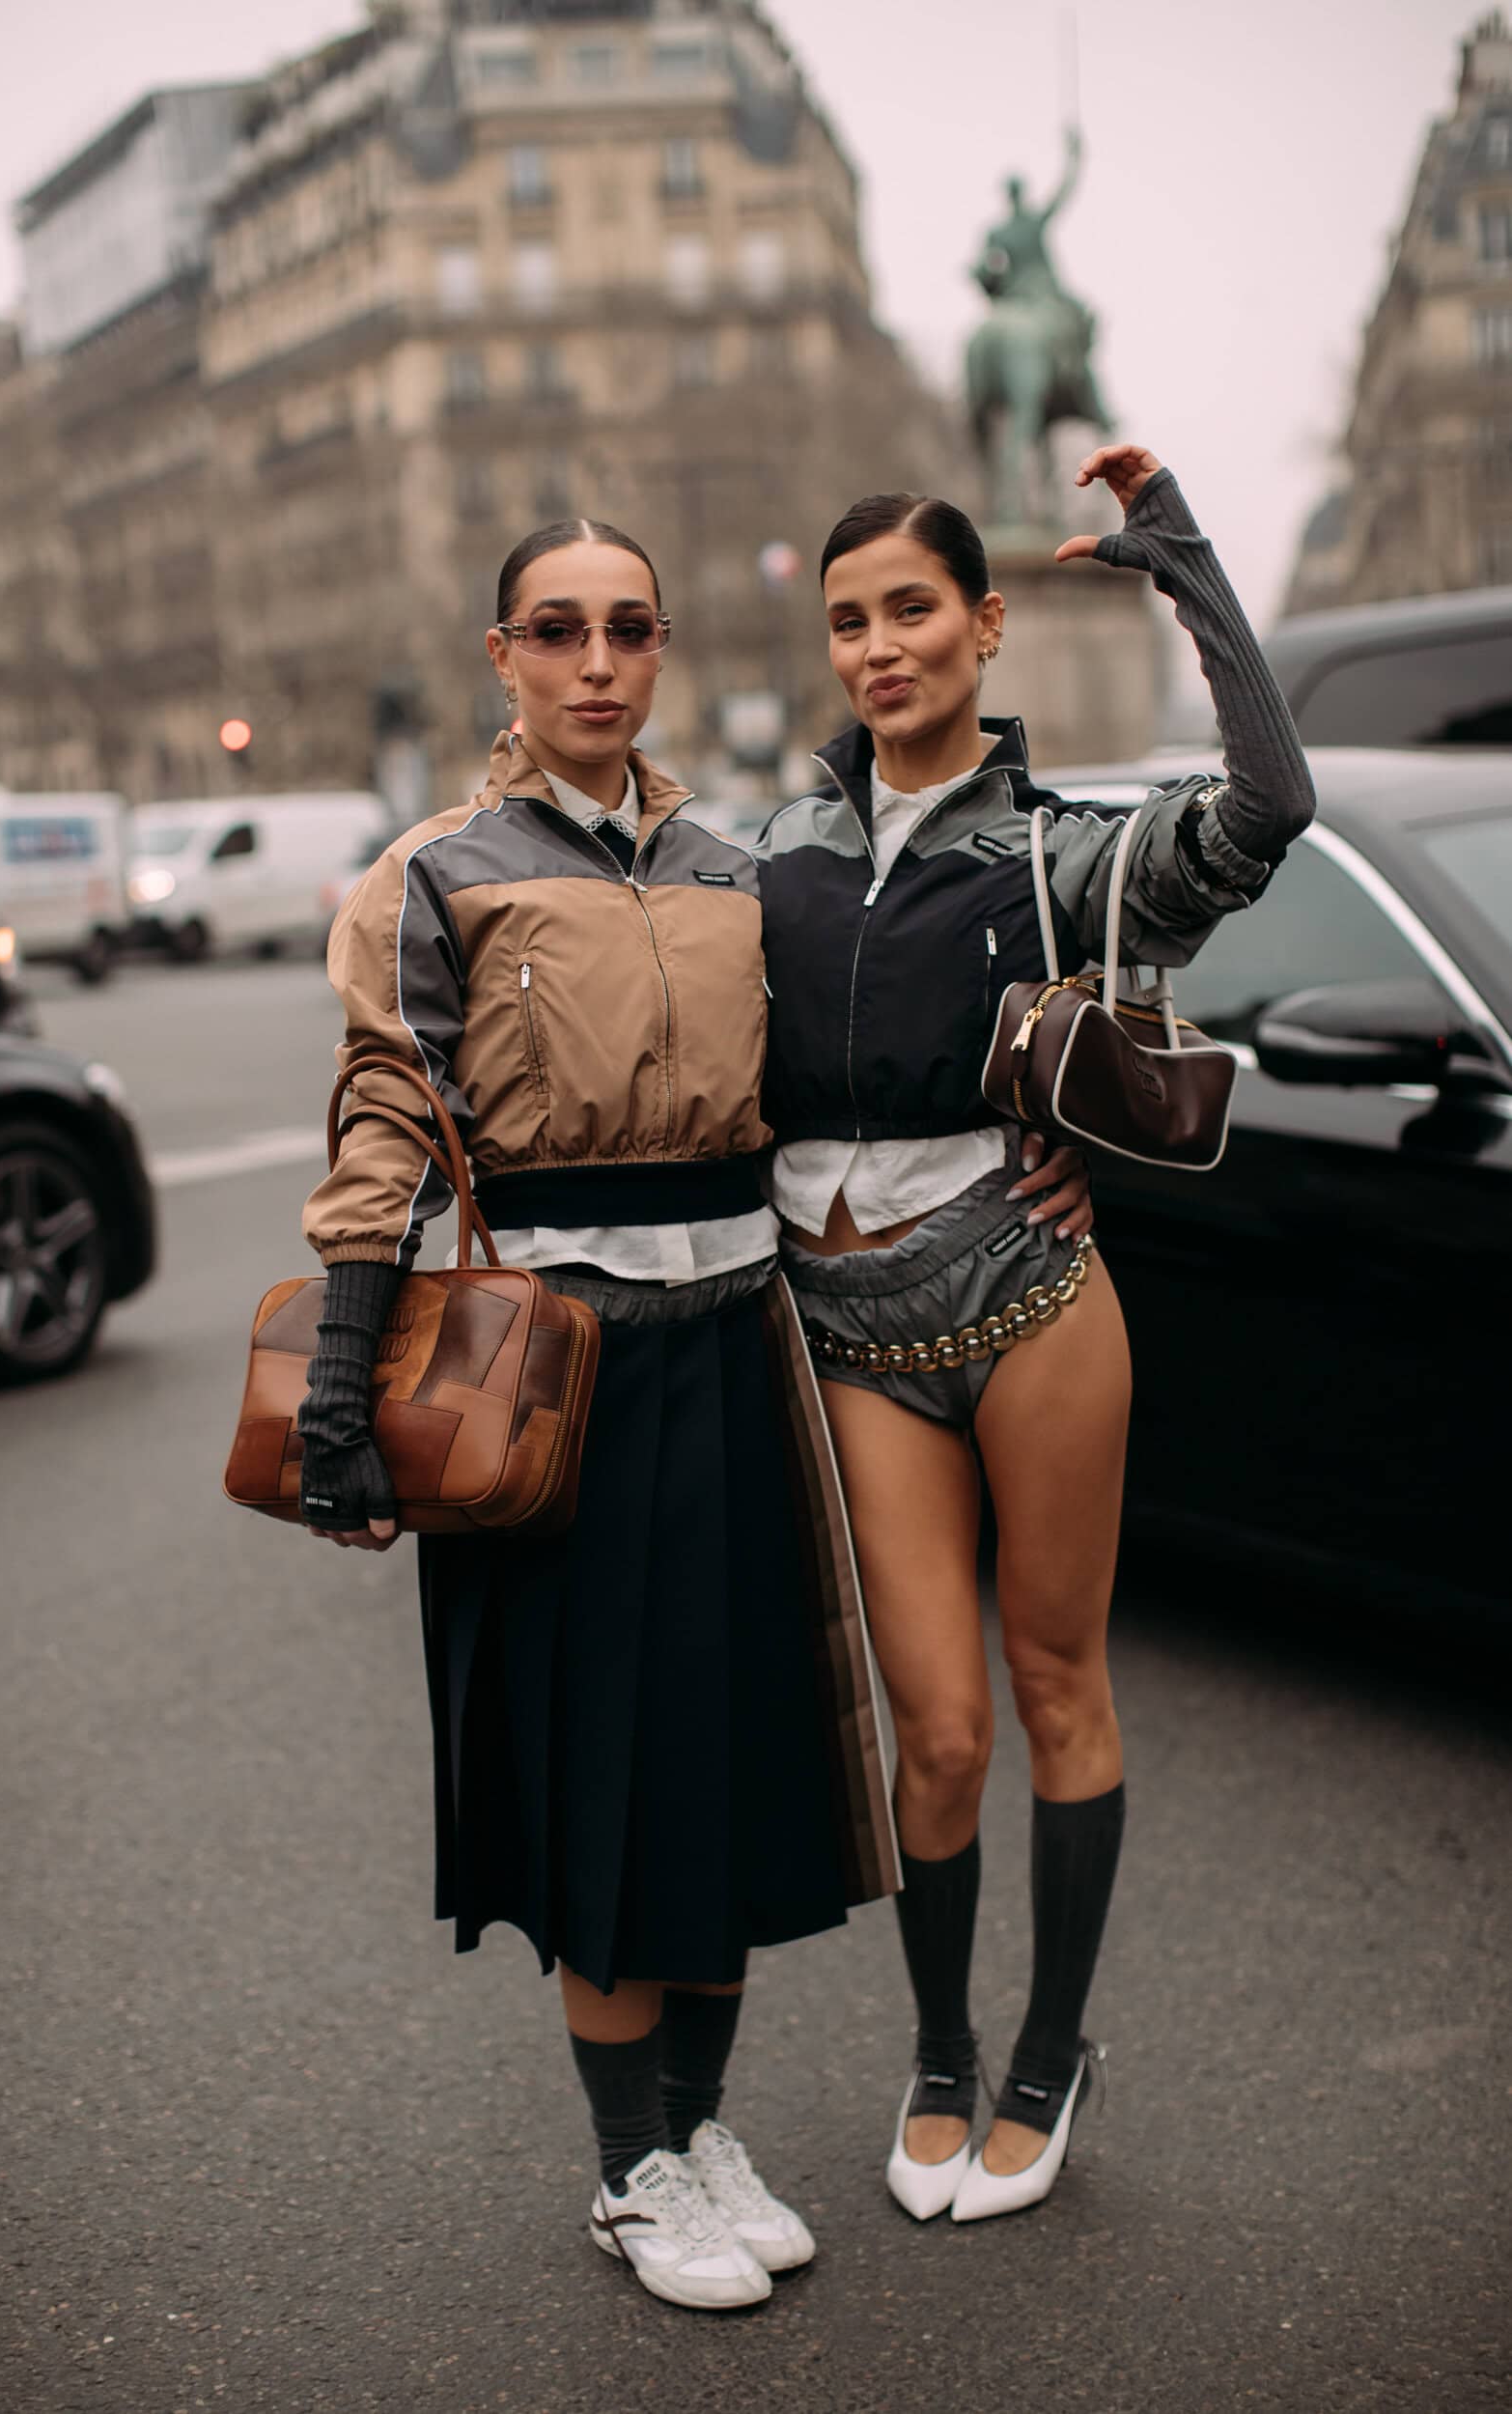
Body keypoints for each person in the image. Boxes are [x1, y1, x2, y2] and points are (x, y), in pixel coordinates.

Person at [288, 518, 919, 2314]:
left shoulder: (739, 869)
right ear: (503, 653)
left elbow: (835, 1101)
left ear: (661, 649)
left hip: (738, 1363)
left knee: (727, 1767)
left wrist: (1030, 1163)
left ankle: (701, 2126)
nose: (596, 660)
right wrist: (344, 1394)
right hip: (551, 1394)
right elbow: (384, 1127)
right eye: (556, 630)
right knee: (600, 1789)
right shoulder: (431, 875)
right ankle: (631, 2170)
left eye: (628, 627)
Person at [755, 444, 1315, 2223]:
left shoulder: (1066, 853)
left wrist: (1187, 570)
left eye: (911, 609)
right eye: (848, 622)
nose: (877, 649)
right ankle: (938, 2051)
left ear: (986, 628)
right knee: (938, 1730)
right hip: (852, 1338)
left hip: (1036, 1304)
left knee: (1059, 1681)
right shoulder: (765, 855)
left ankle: (1050, 2053)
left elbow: (1270, 808)